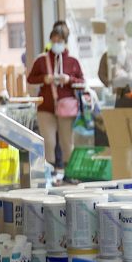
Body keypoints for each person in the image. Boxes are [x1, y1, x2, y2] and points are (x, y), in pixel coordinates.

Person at [26, 21, 85, 171]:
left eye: (59, 41)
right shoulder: (42, 60)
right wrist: (44, 79)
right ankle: (50, 173)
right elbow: (30, 78)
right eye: (53, 40)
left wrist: (69, 79)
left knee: (67, 142)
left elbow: (82, 82)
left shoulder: (73, 62)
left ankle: (69, 172)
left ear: (65, 42)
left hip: (66, 107)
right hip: (45, 107)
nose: (56, 43)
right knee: (49, 142)